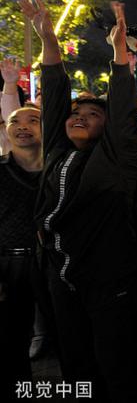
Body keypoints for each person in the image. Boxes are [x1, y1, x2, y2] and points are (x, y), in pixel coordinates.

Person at [21, 0, 137, 401]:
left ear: (108, 126)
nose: (78, 116)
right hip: (60, 278)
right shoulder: (59, 150)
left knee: (115, 366)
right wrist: (48, 39)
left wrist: (119, 54)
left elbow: (124, 105)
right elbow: (56, 90)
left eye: (92, 115)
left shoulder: (117, 158)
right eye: (76, 113)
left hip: (108, 282)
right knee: (75, 364)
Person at [0, 98, 42, 400]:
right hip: (11, 265)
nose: (22, 127)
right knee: (13, 341)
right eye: (15, 121)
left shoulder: (61, 169)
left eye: (33, 121)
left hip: (55, 264)